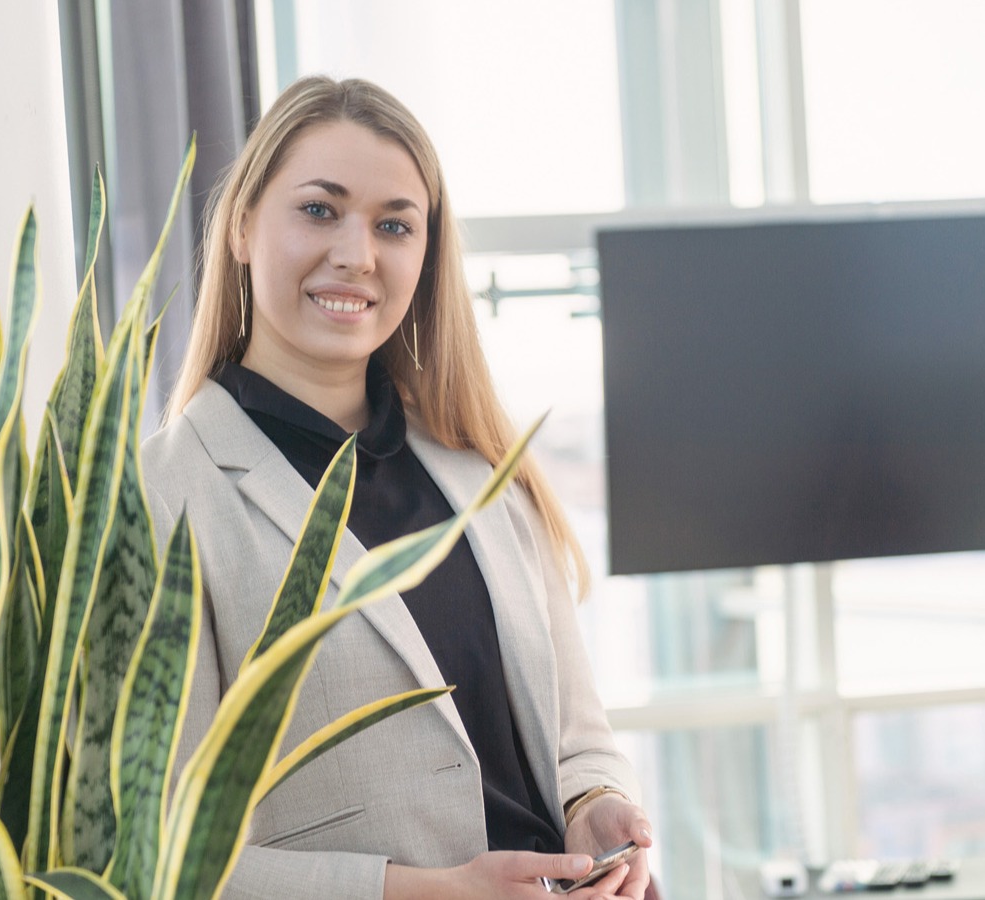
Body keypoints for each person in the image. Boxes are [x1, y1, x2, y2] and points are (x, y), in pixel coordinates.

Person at [141, 75, 653, 900]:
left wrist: (595, 802)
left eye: (394, 225)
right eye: (319, 209)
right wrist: (423, 892)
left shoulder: (481, 468)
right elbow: (161, 857)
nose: (358, 254)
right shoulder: (164, 499)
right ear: (241, 225)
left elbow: (578, 741)